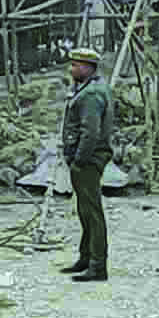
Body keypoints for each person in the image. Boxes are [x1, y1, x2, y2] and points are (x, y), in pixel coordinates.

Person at [60, 43, 116, 280]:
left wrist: (79, 159)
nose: (71, 69)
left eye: (75, 65)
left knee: (92, 211)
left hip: (89, 159)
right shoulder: (88, 88)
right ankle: (86, 257)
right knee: (84, 209)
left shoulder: (91, 94)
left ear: (87, 67)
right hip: (88, 158)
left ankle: (97, 265)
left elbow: (90, 132)